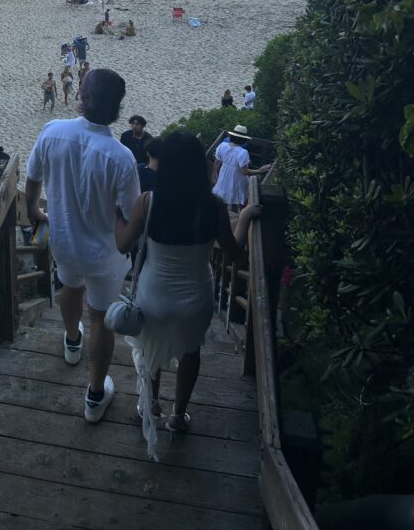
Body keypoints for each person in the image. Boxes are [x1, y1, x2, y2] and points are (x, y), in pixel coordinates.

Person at [115, 129, 262, 459]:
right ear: (199, 165)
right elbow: (233, 251)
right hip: (196, 296)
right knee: (190, 353)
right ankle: (178, 416)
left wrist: (116, 216)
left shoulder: (148, 201)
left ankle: (151, 405)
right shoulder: (213, 205)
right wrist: (245, 217)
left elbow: (123, 244)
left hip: (153, 294)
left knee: (150, 349)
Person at [26, 68, 140, 423]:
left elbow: (33, 177)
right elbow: (130, 216)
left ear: (80, 97)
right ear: (117, 108)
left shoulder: (53, 132)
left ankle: (72, 340)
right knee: (101, 319)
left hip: (63, 239)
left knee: (69, 287)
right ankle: (94, 395)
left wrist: (34, 212)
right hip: (104, 253)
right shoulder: (121, 157)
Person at [211, 124, 271, 208]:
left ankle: (222, 214)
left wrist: (214, 173)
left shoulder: (222, 146)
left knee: (222, 198)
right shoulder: (243, 153)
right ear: (243, 140)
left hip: (223, 176)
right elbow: (243, 171)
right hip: (237, 180)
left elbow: (217, 161)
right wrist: (259, 170)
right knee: (239, 202)